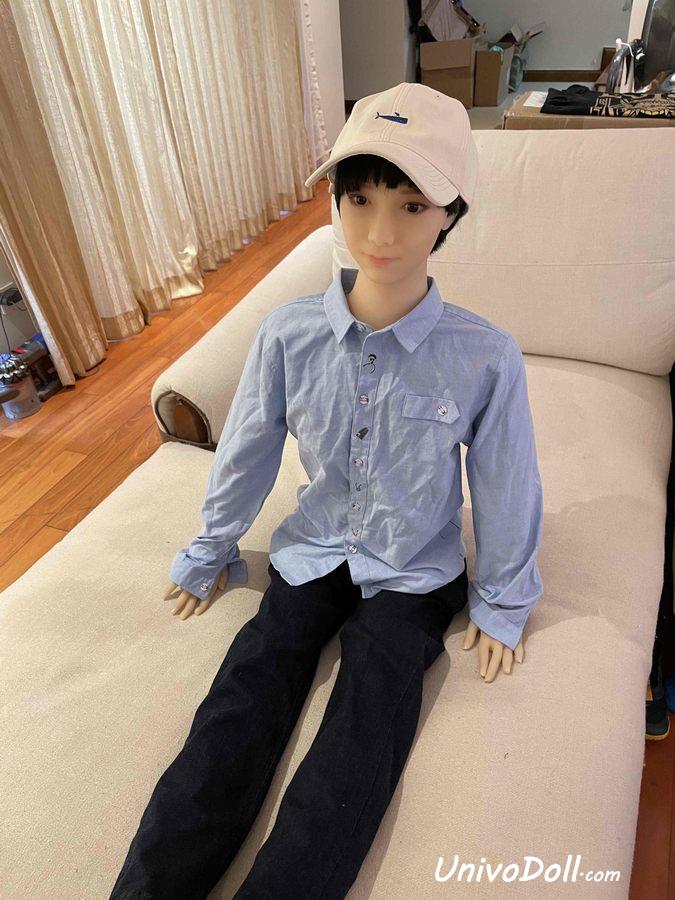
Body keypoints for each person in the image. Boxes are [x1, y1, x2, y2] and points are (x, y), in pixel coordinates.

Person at [109, 81, 544, 900]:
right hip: (310, 550)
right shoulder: (288, 334)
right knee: (242, 699)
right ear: (335, 201)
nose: (380, 232)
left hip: (414, 571)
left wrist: (502, 599)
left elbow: (505, 483)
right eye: (358, 199)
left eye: (411, 206)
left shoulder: (485, 357)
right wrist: (211, 546)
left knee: (362, 729)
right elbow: (245, 452)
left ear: (450, 214)